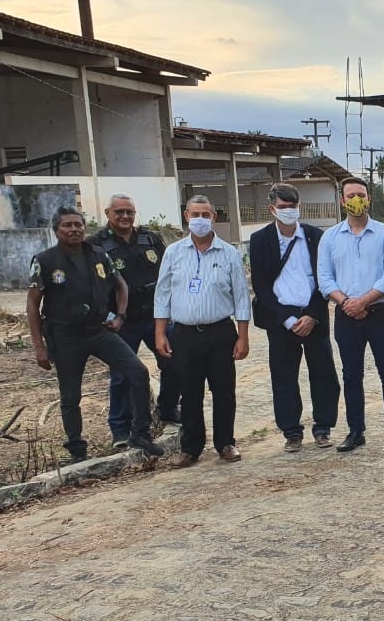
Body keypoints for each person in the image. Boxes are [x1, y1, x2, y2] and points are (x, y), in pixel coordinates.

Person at [27, 207, 164, 464]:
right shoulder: (45, 260)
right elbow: (33, 304)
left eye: (78, 224)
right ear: (56, 230)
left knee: (138, 372)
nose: (74, 229)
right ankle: (77, 449)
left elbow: (120, 285)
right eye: (67, 225)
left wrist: (120, 315)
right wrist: (39, 347)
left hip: (99, 331)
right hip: (66, 337)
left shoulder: (98, 255)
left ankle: (141, 434)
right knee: (71, 397)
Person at [154, 196, 251, 467]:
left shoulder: (229, 253)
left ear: (214, 217)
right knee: (189, 391)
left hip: (220, 332)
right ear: (186, 216)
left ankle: (226, 443)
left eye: (205, 215)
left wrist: (243, 336)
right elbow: (162, 295)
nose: (200, 219)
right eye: (195, 214)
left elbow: (241, 297)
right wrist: (160, 333)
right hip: (184, 334)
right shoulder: (173, 252)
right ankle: (191, 448)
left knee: (224, 390)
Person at [317, 177, 384, 452]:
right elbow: (324, 277)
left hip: (380, 313)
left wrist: (363, 301)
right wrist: (347, 303)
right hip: (346, 315)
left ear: (369, 198)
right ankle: (356, 431)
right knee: (351, 375)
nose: (356, 200)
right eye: (351, 195)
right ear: (342, 201)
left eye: (361, 194)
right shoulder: (330, 237)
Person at [249, 183, 341, 453]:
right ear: (272, 209)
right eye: (283, 207)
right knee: (284, 377)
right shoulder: (260, 240)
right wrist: (287, 320)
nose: (288, 211)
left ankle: (323, 428)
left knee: (324, 374)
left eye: (293, 207)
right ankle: (291, 432)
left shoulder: (315, 236)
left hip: (314, 316)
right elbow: (261, 286)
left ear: (299, 207)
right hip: (281, 319)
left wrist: (313, 314)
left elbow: (325, 278)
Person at [87, 193, 177, 444]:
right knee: (122, 375)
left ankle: (168, 408)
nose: (125, 216)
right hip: (122, 322)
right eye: (119, 212)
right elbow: (91, 285)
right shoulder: (95, 244)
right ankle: (120, 429)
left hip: (155, 317)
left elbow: (169, 273)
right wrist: (108, 316)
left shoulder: (150, 238)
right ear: (108, 214)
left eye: (129, 212)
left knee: (173, 363)